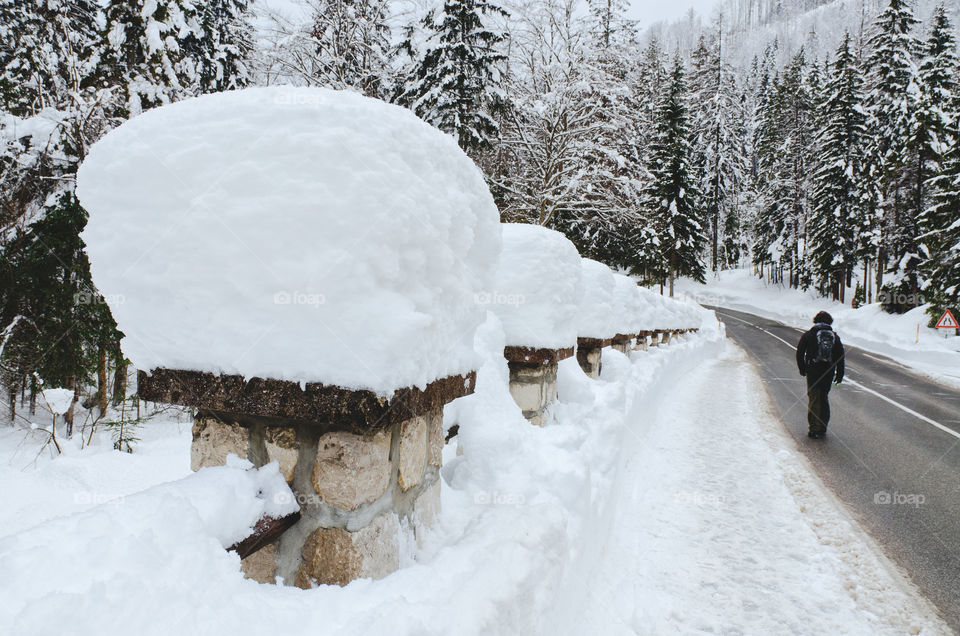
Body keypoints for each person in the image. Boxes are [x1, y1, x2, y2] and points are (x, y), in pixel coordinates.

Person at [796, 311, 845, 439]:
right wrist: (839, 374)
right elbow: (840, 357)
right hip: (828, 372)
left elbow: (800, 353)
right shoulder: (834, 337)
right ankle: (823, 427)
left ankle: (814, 428)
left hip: (813, 371)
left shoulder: (809, 335)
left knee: (814, 398)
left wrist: (802, 368)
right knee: (823, 397)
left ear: (815, 321)